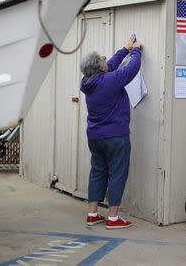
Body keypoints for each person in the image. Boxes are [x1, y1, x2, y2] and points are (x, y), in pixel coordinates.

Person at [80, 34, 142, 229]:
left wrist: (125, 49)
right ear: (100, 67)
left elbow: (112, 65)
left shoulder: (89, 82)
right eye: (102, 58)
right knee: (117, 173)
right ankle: (113, 218)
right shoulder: (110, 80)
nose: (106, 58)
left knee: (97, 172)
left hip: (95, 137)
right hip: (116, 136)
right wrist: (136, 51)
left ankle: (92, 214)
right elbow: (131, 69)